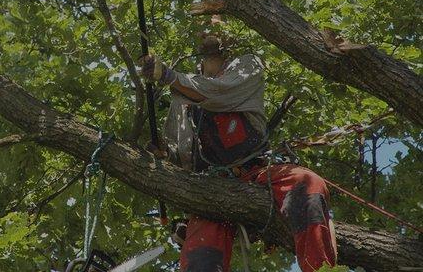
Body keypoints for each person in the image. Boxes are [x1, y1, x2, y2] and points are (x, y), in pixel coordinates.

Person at [138, 35, 337, 272]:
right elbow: (183, 159)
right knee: (201, 256)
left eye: (219, 22)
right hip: (210, 188)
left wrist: (170, 76)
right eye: (205, 27)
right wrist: (163, 156)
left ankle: (321, 268)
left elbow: (217, 94)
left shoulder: (246, 67)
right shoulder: (181, 102)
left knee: (307, 182)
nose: (212, 28)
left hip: (257, 173)